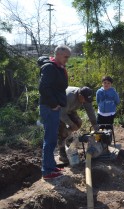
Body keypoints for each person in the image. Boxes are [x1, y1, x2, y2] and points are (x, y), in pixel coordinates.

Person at [38, 44, 71, 180]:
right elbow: (43, 87)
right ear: (57, 54)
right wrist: (53, 104)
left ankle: (51, 166)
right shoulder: (50, 68)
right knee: (50, 139)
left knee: (52, 138)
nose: (67, 60)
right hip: (49, 107)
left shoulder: (57, 67)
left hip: (54, 107)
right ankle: (47, 171)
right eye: (65, 57)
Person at [58, 86, 98, 163]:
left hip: (69, 109)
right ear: (80, 95)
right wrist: (71, 124)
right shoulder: (69, 96)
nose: (85, 102)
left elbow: (90, 111)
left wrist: (95, 125)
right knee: (62, 131)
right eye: (84, 100)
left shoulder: (85, 97)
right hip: (58, 111)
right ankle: (62, 152)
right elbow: (61, 114)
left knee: (78, 123)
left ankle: (68, 138)